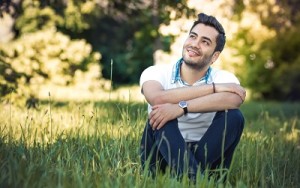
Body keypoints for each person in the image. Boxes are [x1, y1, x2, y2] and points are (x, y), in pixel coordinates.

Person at [139, 13, 246, 180]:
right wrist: (213, 88)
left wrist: (181, 108)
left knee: (234, 117)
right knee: (161, 115)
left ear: (215, 56)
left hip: (207, 154)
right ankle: (195, 180)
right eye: (193, 36)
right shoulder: (156, 72)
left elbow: (235, 100)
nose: (195, 44)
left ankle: (190, 176)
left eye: (205, 42)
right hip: (162, 154)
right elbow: (157, 98)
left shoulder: (225, 78)